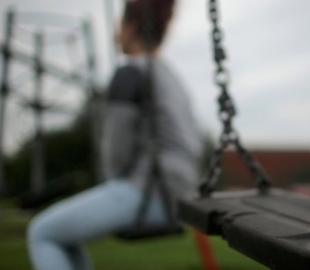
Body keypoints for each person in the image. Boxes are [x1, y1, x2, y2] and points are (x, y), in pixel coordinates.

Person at [27, 0, 203, 269]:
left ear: (131, 28)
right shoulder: (171, 77)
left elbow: (116, 152)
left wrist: (112, 184)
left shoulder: (129, 73)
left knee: (42, 233)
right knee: (67, 238)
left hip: (148, 193)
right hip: (182, 195)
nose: (115, 33)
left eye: (119, 25)